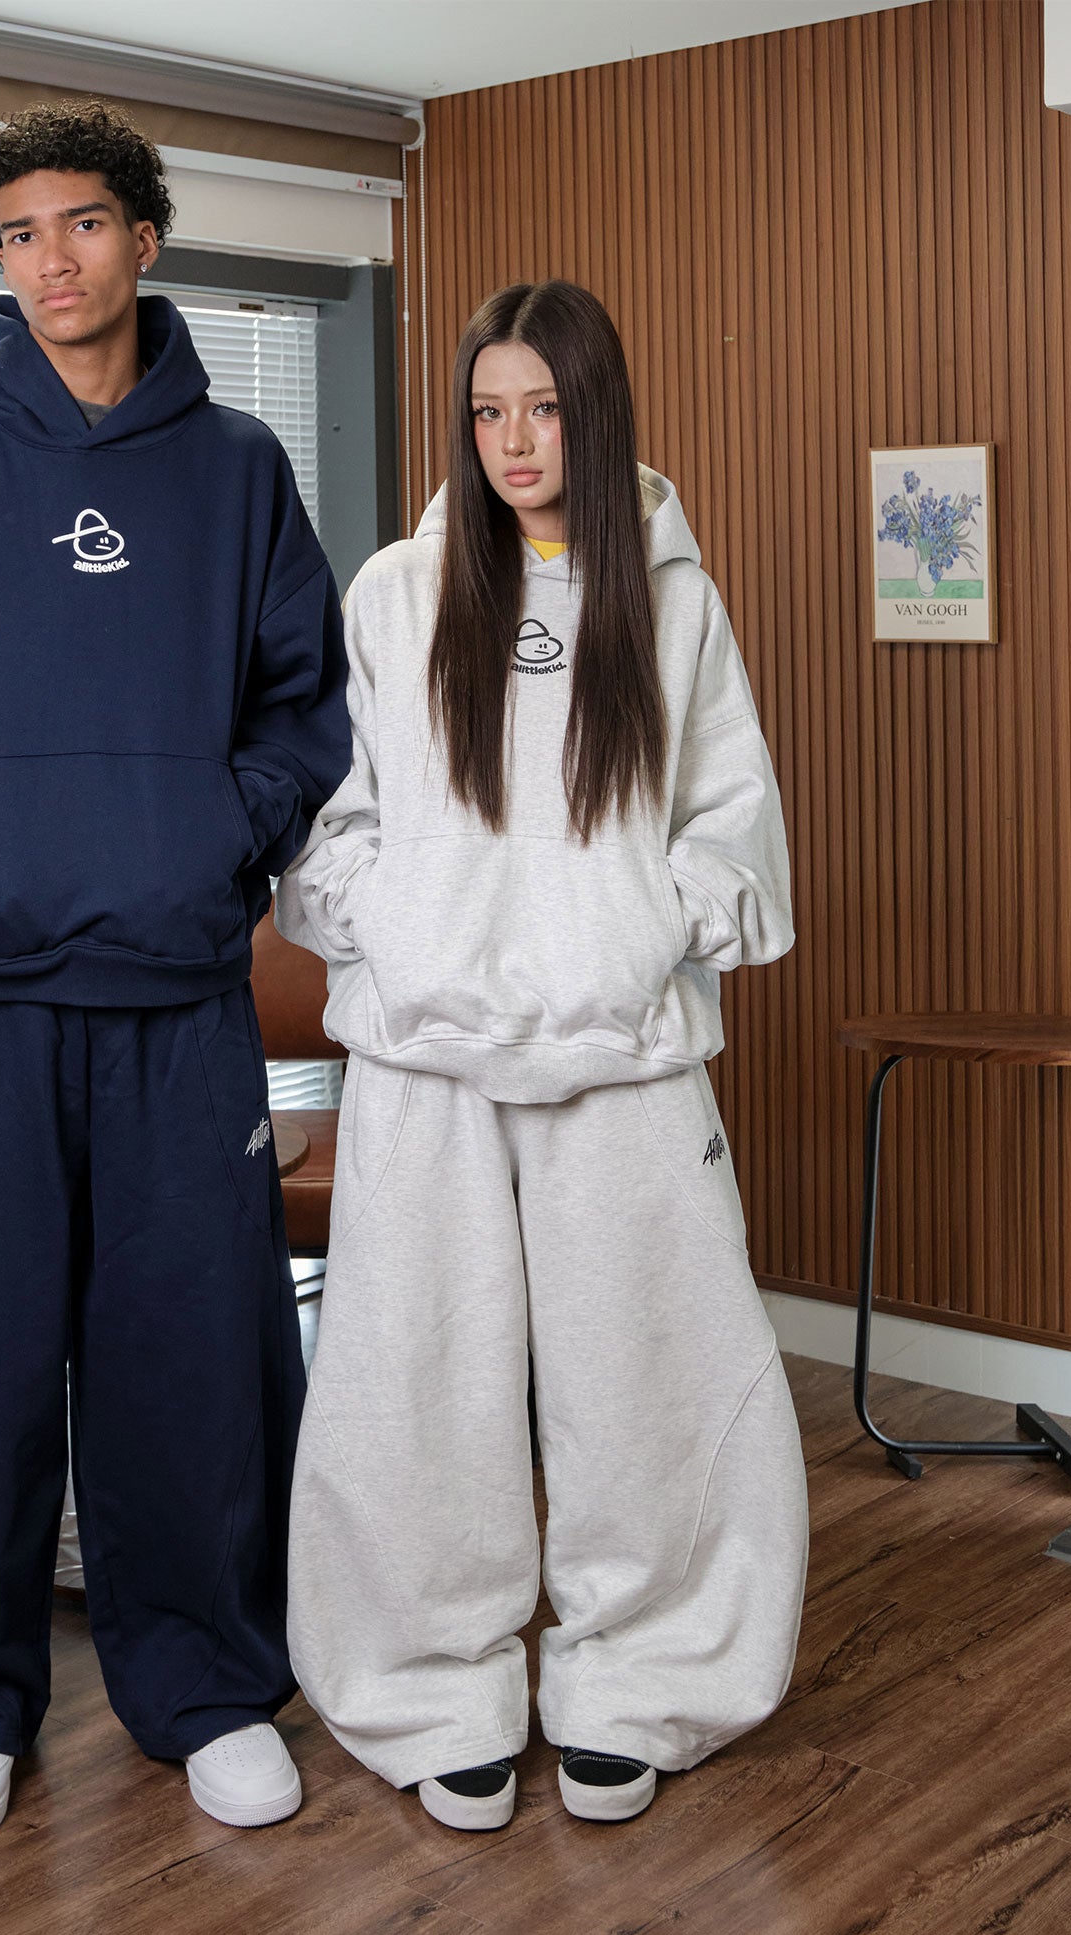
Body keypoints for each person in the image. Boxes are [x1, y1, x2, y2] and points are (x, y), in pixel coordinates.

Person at [0, 100, 350, 1845]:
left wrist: (218, 834)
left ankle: (210, 1683)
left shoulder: (237, 467)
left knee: (194, 1361)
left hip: (176, 1005)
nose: (52, 260)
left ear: (145, 238)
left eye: (82, 223)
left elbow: (304, 709)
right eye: (19, 233)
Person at [275, 280, 807, 1833]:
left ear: (596, 412)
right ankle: (430, 1687)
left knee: (651, 1382)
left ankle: (645, 1679)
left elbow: (735, 832)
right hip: (424, 1061)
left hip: (621, 1057)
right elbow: (335, 829)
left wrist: (627, 932)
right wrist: (412, 932)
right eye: (489, 411)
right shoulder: (395, 594)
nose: (515, 442)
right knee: (409, 1382)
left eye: (546, 409)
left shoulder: (672, 604)